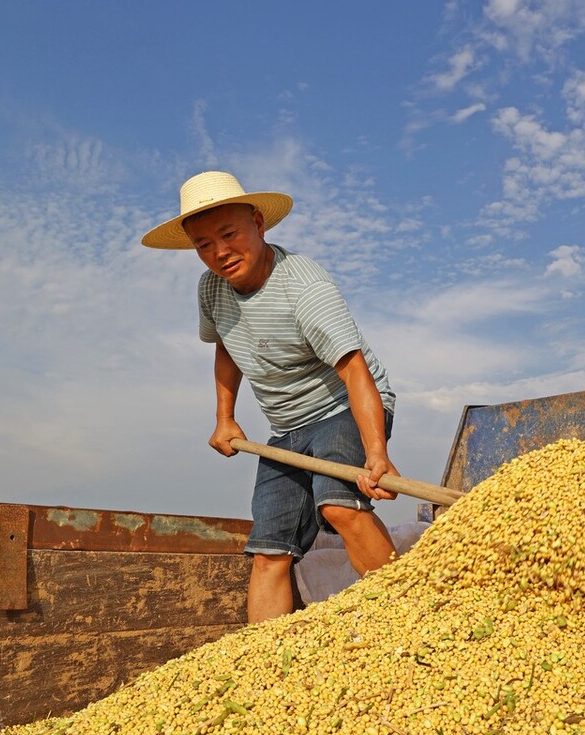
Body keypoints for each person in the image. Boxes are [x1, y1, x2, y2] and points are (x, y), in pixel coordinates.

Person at [142, 170, 399, 623]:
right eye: (204, 244)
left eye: (228, 234)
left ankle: (410, 619)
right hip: (286, 428)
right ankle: (259, 663)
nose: (220, 253)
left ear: (258, 223)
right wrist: (225, 417)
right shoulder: (212, 288)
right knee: (269, 549)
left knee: (339, 504)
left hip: (344, 407)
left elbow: (355, 371)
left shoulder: (304, 286)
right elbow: (226, 345)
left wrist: (376, 452)